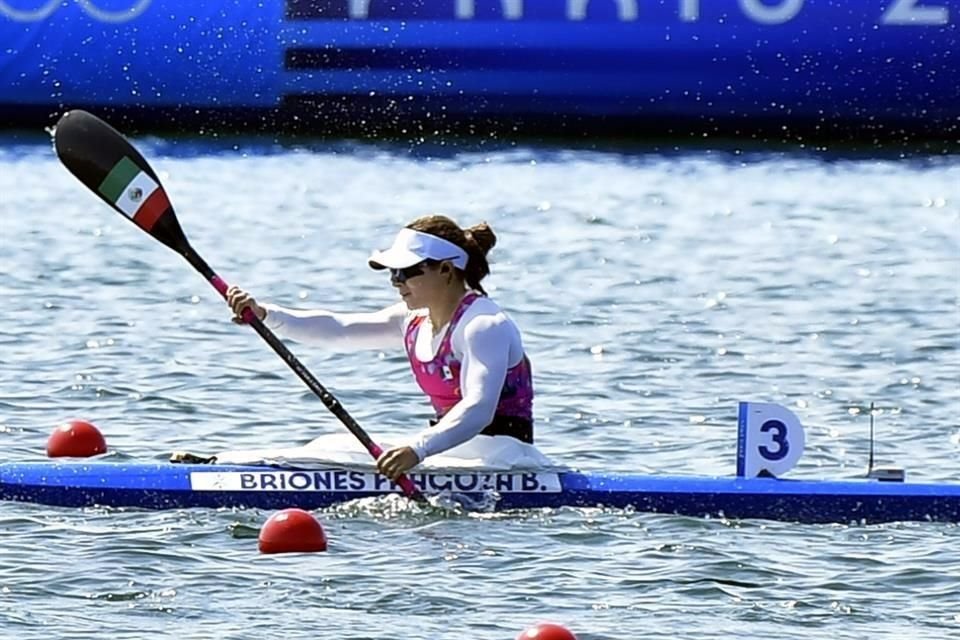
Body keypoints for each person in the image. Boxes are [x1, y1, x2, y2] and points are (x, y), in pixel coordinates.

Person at [226, 214, 534, 482]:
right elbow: (339, 330)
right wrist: (267, 314)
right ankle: (225, 465)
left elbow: (479, 408)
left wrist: (417, 449)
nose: (395, 281)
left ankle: (229, 472)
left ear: (445, 269)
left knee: (338, 456)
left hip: (506, 459)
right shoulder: (412, 320)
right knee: (332, 446)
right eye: (391, 273)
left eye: (405, 271)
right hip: (454, 453)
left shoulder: (483, 324)